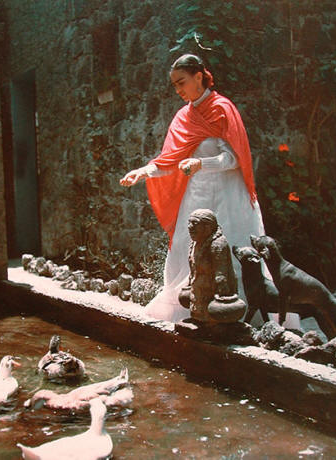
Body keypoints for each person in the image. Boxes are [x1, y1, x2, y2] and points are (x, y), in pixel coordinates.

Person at [120, 54, 296, 327]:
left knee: (235, 250)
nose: (178, 90)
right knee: (185, 248)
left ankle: (242, 314)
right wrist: (144, 171)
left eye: (182, 82)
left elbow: (234, 159)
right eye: (175, 85)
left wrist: (202, 163)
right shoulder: (183, 117)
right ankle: (191, 308)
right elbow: (171, 160)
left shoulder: (222, 108)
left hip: (228, 195)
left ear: (199, 76)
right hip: (197, 196)